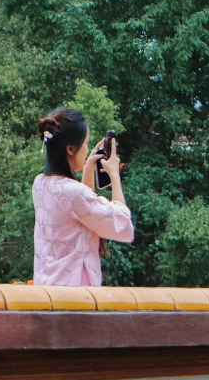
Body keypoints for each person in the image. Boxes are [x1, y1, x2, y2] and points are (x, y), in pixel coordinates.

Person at [32, 108, 134, 286]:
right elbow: (122, 225)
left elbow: (82, 217)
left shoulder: (40, 184)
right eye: (86, 143)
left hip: (48, 287)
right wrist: (115, 177)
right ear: (71, 149)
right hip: (76, 294)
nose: (87, 149)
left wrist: (87, 169)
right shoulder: (72, 192)